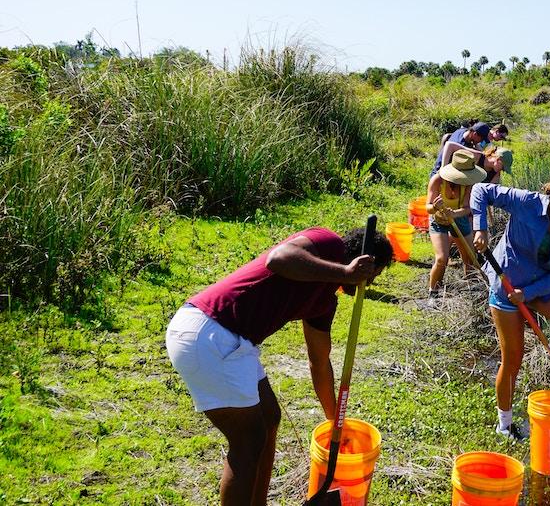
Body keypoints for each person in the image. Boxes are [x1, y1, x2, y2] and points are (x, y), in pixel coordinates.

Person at [165, 226, 393, 506]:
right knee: (248, 441)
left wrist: (336, 423)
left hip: (234, 342)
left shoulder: (323, 302)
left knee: (269, 417)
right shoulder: (328, 243)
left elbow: (319, 364)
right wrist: (344, 273)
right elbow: (279, 258)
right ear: (363, 263)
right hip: (210, 332)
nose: (366, 285)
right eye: (372, 275)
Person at [470, 178, 550, 440]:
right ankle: (504, 425)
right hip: (507, 286)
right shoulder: (526, 203)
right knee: (513, 359)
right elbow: (480, 190)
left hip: (540, 288)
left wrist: (529, 294)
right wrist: (480, 228)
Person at [426, 150, 488, 295]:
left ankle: (471, 289)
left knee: (469, 257)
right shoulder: (437, 181)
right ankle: (433, 292)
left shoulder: (468, 185)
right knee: (442, 259)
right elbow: (428, 208)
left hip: (458, 219)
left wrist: (454, 213)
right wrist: (435, 207)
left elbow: (467, 209)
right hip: (438, 219)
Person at [439, 139, 513, 184]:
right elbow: (450, 145)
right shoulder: (477, 156)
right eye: (502, 167)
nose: (502, 170)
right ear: (498, 159)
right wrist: (443, 168)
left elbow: (489, 192)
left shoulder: (496, 174)